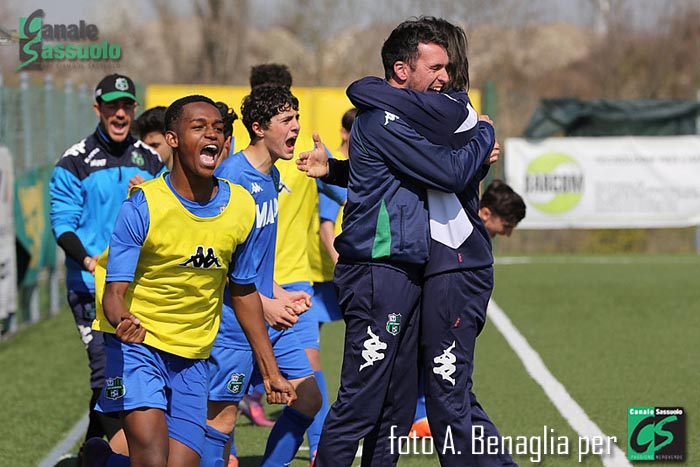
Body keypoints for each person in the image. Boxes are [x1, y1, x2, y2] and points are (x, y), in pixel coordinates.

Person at [302, 18, 497, 467]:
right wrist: (484, 132)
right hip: (377, 272)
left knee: (398, 408)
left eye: (447, 68)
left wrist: (334, 169)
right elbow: (447, 172)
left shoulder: (398, 118)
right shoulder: (386, 120)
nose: (444, 77)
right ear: (402, 70)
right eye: (435, 67)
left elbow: (386, 173)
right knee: (361, 404)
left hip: (405, 271)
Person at [87, 94, 296, 467]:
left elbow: (244, 290)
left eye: (218, 128)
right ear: (173, 139)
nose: (211, 135)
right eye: (198, 127)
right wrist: (124, 322)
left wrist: (270, 371)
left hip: (194, 354)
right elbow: (115, 293)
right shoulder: (144, 204)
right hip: (140, 345)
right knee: (152, 459)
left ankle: (102, 461)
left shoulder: (240, 206)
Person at [203, 84, 322, 467]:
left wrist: (279, 294)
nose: (296, 127)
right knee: (220, 418)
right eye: (286, 120)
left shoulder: (271, 176)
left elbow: (254, 260)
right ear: (258, 127)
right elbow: (219, 263)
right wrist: (265, 303)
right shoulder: (232, 178)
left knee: (308, 397)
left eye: (297, 118)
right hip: (234, 321)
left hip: (265, 309)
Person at [49, 73, 165, 456]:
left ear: (133, 109)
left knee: (131, 375)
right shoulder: (74, 161)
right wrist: (88, 261)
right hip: (90, 286)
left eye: (126, 106)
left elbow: (167, 215)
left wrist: (147, 194)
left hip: (139, 288)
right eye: (111, 105)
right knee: (105, 374)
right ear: (98, 108)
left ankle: (95, 452)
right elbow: (62, 224)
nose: (119, 113)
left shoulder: (149, 161)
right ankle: (112, 454)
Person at [410, 178, 526, 438]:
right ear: (485, 213)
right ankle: (418, 415)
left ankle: (420, 414)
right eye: (506, 226)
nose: (508, 234)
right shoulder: (456, 226)